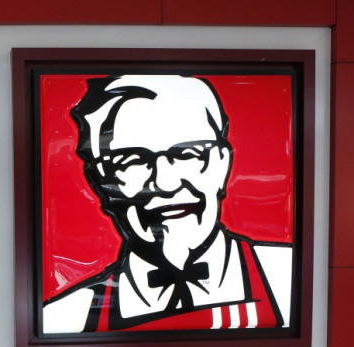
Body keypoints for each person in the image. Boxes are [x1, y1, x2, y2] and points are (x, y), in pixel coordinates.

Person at [43, 75, 292, 333]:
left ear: (222, 165)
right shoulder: (64, 318)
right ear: (101, 183)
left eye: (187, 154)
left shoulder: (290, 278)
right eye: (131, 161)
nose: (166, 183)